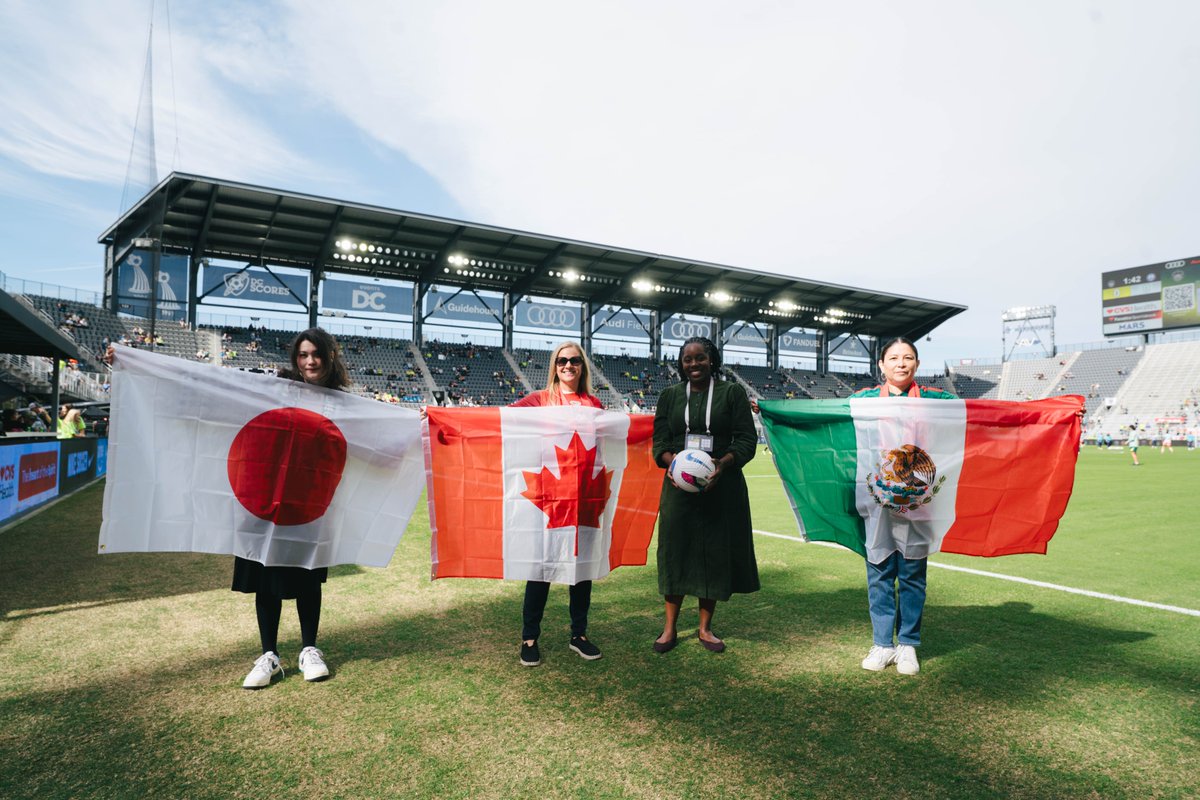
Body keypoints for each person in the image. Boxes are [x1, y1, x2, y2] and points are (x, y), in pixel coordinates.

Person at [226, 328, 354, 688]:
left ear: (329, 356)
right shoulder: (277, 389)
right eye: (302, 355)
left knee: (308, 577)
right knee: (266, 576)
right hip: (266, 500)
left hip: (310, 505)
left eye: (316, 354)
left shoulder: (342, 403)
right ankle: (269, 655)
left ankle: (309, 649)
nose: (309, 361)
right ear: (294, 359)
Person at [850, 337, 955, 677]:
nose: (901, 363)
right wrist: (774, 410)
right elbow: (822, 417)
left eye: (908, 357)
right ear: (881, 365)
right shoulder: (863, 400)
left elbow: (980, 416)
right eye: (893, 358)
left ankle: (908, 644)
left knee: (912, 574)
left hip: (919, 500)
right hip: (876, 498)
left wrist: (1054, 412)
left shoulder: (936, 400)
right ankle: (883, 644)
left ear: (917, 365)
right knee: (879, 570)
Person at [652, 336, 758, 654]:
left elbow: (746, 440)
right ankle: (669, 628)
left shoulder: (731, 393)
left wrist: (721, 465)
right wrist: (677, 465)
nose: (694, 364)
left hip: (721, 488)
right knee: (674, 552)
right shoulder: (670, 396)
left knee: (713, 554)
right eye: (688, 359)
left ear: (712, 359)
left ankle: (705, 629)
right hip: (677, 489)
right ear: (681, 364)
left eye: (700, 358)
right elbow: (659, 444)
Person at [509, 341, 604, 667]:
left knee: (581, 572)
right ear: (555, 366)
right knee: (541, 569)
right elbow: (499, 419)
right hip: (548, 500)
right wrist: (443, 416)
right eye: (562, 360)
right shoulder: (540, 400)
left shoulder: (594, 403)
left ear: (582, 366)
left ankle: (579, 635)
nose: (568, 365)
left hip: (584, 502)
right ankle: (529, 637)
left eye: (574, 360)